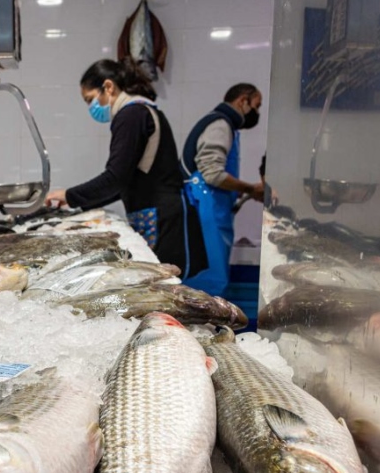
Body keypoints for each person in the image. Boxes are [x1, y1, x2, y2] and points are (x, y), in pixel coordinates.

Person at [45, 58, 207, 278]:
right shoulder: (140, 112)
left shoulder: (131, 115)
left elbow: (115, 178)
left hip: (161, 219)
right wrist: (76, 202)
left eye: (90, 99)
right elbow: (125, 181)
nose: (91, 108)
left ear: (108, 87)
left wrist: (69, 195)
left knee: (163, 290)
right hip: (160, 214)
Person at [180, 83, 264, 297]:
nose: (257, 112)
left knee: (212, 280)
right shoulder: (220, 125)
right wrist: (251, 188)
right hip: (205, 211)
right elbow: (213, 175)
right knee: (206, 283)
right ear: (242, 100)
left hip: (214, 208)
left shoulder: (227, 127)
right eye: (256, 105)